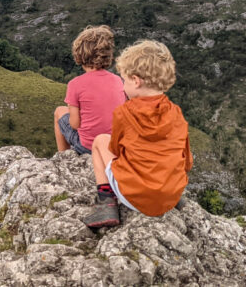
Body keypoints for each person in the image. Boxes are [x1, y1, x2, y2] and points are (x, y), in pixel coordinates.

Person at [82, 39, 192, 228]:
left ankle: (106, 201)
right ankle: (171, 194)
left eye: (124, 80)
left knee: (100, 141)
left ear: (136, 80)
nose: (123, 85)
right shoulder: (176, 113)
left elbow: (115, 150)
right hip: (169, 196)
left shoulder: (124, 113)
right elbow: (187, 160)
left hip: (135, 197)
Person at [53, 25, 126, 155]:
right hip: (114, 145)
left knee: (59, 111)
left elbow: (75, 124)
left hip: (88, 147)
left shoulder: (75, 84)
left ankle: (63, 156)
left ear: (79, 54)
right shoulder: (118, 80)